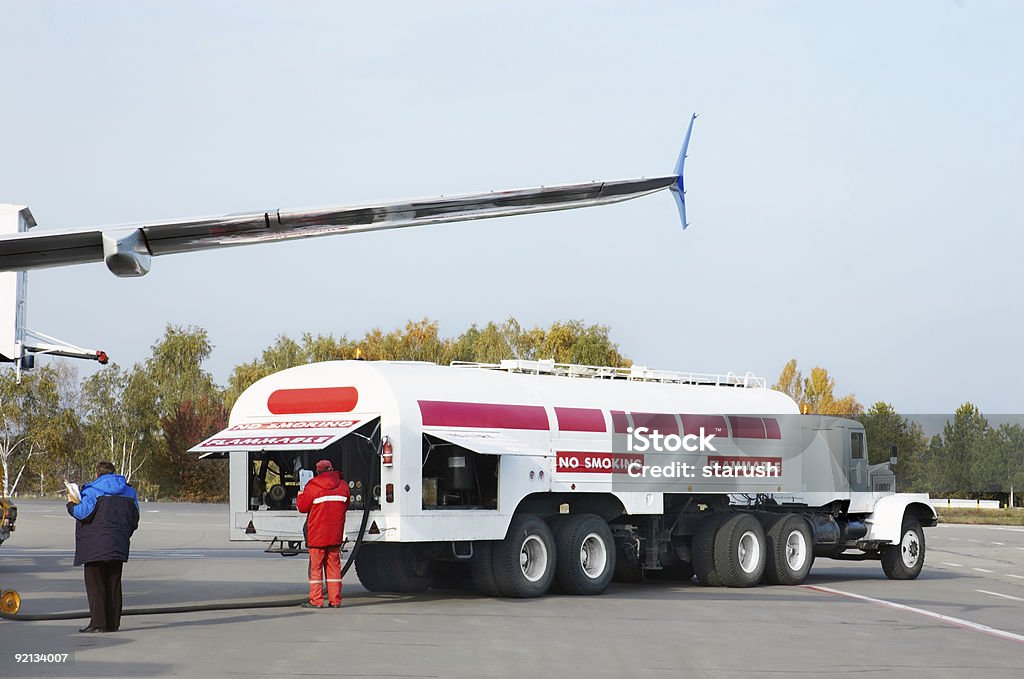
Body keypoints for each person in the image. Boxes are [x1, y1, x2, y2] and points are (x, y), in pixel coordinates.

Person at [66, 461, 140, 633]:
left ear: (97, 474)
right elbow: (134, 518)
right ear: (114, 473)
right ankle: (113, 624)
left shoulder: (92, 491)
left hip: (95, 546)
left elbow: (82, 513)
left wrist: (71, 504)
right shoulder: (129, 491)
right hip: (118, 544)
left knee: (96, 584)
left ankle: (98, 623)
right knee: (114, 583)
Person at [296, 459, 349, 608]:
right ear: (332, 469)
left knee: (316, 569)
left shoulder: (312, 487)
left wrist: (300, 494)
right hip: (335, 535)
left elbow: (302, 507)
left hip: (317, 536)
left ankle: (316, 601)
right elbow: (346, 504)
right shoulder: (343, 485)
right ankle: (335, 600)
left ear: (317, 471)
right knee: (334, 568)